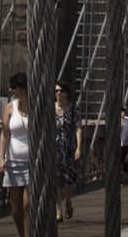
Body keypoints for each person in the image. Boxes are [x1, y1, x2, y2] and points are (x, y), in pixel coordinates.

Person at [0, 72, 33, 236]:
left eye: (13, 87)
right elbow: (5, 134)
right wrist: (1, 159)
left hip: (32, 163)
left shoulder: (36, 108)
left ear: (22, 88)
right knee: (16, 209)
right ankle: (21, 233)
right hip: (13, 163)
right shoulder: (10, 107)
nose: (10, 90)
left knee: (27, 206)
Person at [53, 80, 83, 222]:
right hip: (54, 148)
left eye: (61, 91)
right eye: (56, 91)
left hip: (68, 148)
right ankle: (58, 211)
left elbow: (78, 128)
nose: (59, 93)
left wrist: (78, 147)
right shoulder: (50, 109)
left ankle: (68, 201)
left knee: (67, 180)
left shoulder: (73, 109)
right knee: (56, 180)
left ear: (67, 93)